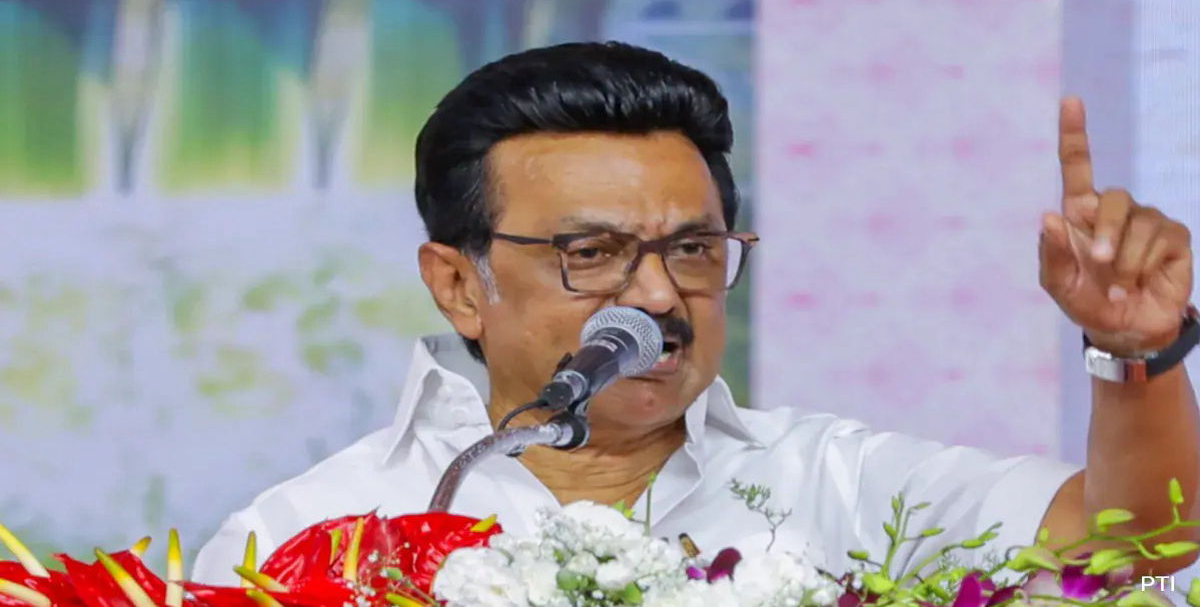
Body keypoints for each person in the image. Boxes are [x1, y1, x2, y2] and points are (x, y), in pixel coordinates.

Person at [193, 42, 1199, 585]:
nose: (657, 297)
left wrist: (1134, 351)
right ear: (459, 284)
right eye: (591, 255)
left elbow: (1139, 538)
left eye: (692, 249)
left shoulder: (835, 485)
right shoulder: (310, 532)